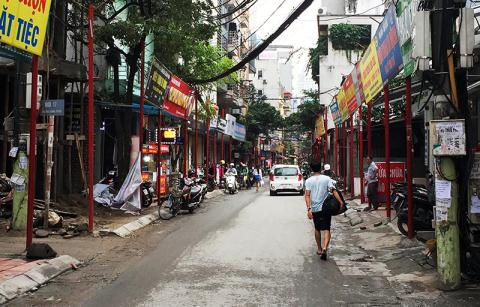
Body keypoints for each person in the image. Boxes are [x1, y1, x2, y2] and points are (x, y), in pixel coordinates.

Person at [304, 161, 344, 260]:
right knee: (327, 228)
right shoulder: (327, 179)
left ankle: (319, 248)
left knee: (317, 228)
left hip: (315, 208)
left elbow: (307, 195)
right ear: (320, 168)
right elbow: (333, 190)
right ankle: (325, 247)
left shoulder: (308, 181)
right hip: (326, 207)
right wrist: (341, 202)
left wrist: (309, 209)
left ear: (312, 169)